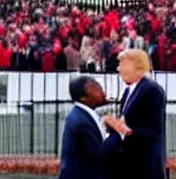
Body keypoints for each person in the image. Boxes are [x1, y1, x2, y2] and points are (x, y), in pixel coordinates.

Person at [105, 49, 167, 179]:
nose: (118, 69)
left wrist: (129, 131)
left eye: (122, 64)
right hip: (129, 163)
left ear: (136, 66)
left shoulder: (151, 90)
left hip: (145, 165)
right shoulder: (129, 91)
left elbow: (154, 131)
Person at [59, 76, 122, 179]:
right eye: (97, 89)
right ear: (83, 98)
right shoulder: (81, 122)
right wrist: (117, 132)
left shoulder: (82, 116)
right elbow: (101, 155)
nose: (103, 93)